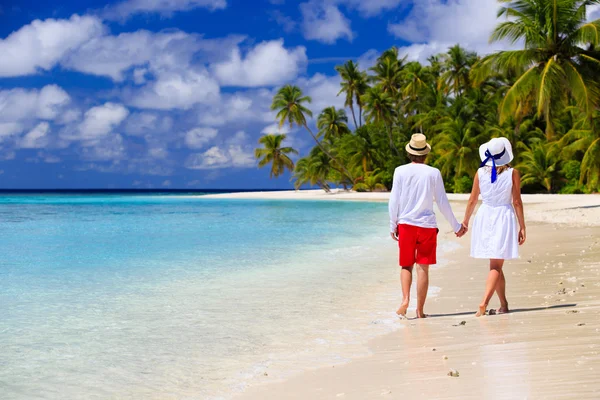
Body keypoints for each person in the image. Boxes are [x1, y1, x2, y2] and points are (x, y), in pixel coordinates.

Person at [389, 133, 467, 319]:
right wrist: (456, 226)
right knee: (423, 267)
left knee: (406, 266)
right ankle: (420, 311)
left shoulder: (400, 171)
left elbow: (394, 200)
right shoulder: (433, 173)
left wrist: (393, 224)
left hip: (406, 225)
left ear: (410, 152)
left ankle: (405, 299)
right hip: (427, 226)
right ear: (425, 154)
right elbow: (442, 202)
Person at [462, 137, 526, 317]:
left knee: (495, 263)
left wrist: (466, 221)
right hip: (503, 217)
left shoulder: (480, 172)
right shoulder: (513, 173)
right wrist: (522, 226)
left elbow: (473, 199)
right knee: (496, 265)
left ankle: (504, 304)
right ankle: (483, 303)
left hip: (485, 216)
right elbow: (517, 202)